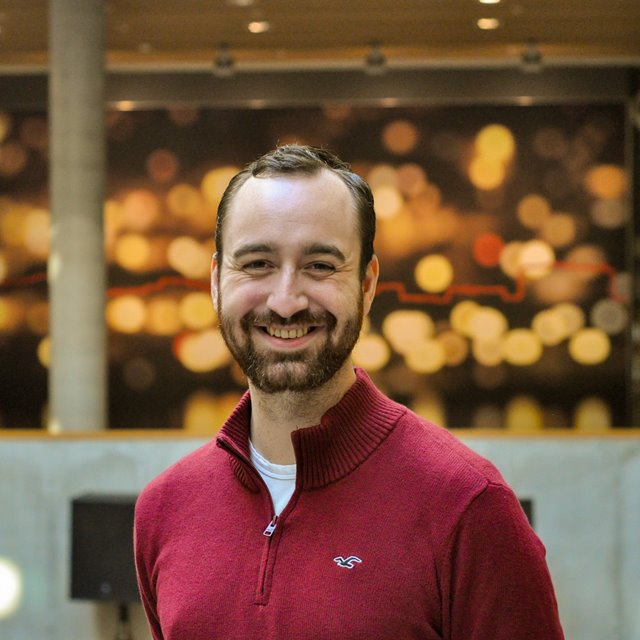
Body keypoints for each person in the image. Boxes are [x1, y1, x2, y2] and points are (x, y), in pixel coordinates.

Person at [134, 144, 565, 640]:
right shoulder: (163, 510)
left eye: (320, 265)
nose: (286, 301)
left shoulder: (469, 506)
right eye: (257, 264)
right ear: (216, 282)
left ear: (367, 284)